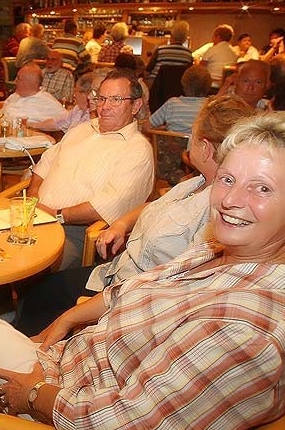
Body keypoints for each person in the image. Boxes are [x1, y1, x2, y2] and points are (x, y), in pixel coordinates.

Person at [0, 111, 285, 430]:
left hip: (82, 418)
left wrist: (34, 394)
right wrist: (68, 320)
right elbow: (139, 288)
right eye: (228, 179)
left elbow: (120, 424)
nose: (231, 200)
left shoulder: (249, 329)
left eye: (262, 188)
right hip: (77, 364)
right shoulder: (231, 253)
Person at [16, 94, 258, 336]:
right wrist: (122, 224)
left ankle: (31, 347)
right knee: (41, 290)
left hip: (131, 299)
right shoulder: (197, 182)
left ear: (205, 148)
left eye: (191, 135)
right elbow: (157, 205)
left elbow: (171, 288)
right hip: (115, 272)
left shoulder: (218, 209)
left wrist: (73, 317)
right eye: (102, 99)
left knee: (42, 295)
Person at [24, 69, 154, 269]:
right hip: (33, 215)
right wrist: (33, 198)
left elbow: (111, 203)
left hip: (74, 230)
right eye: (101, 99)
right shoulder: (82, 129)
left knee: (27, 265)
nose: (105, 107)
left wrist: (56, 214)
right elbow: (45, 163)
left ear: (135, 105)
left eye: (116, 100)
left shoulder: (137, 149)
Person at [147, 64, 212, 134]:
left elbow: (146, 127)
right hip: (198, 141)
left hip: (172, 141)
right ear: (208, 87)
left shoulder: (172, 104)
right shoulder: (210, 106)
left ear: (183, 84)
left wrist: (163, 131)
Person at [0, 62, 66, 127]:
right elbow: (0, 115)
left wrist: (35, 126)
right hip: (0, 130)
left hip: (25, 133)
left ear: (28, 82)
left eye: (18, 78)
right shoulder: (14, 96)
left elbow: (67, 121)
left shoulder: (47, 102)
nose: (15, 81)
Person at [33, 74, 98, 133]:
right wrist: (32, 125)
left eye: (76, 91)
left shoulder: (94, 117)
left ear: (85, 94)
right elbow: (56, 123)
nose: (74, 95)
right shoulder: (78, 110)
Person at [145, 20, 193, 85]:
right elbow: (188, 75)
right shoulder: (188, 54)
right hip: (177, 87)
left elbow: (147, 72)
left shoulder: (160, 50)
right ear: (185, 39)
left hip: (156, 86)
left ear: (171, 36)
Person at [197, 24, 238, 88]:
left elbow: (200, 68)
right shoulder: (235, 52)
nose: (212, 40)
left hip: (211, 84)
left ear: (218, 37)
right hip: (227, 86)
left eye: (213, 37)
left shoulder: (212, 49)